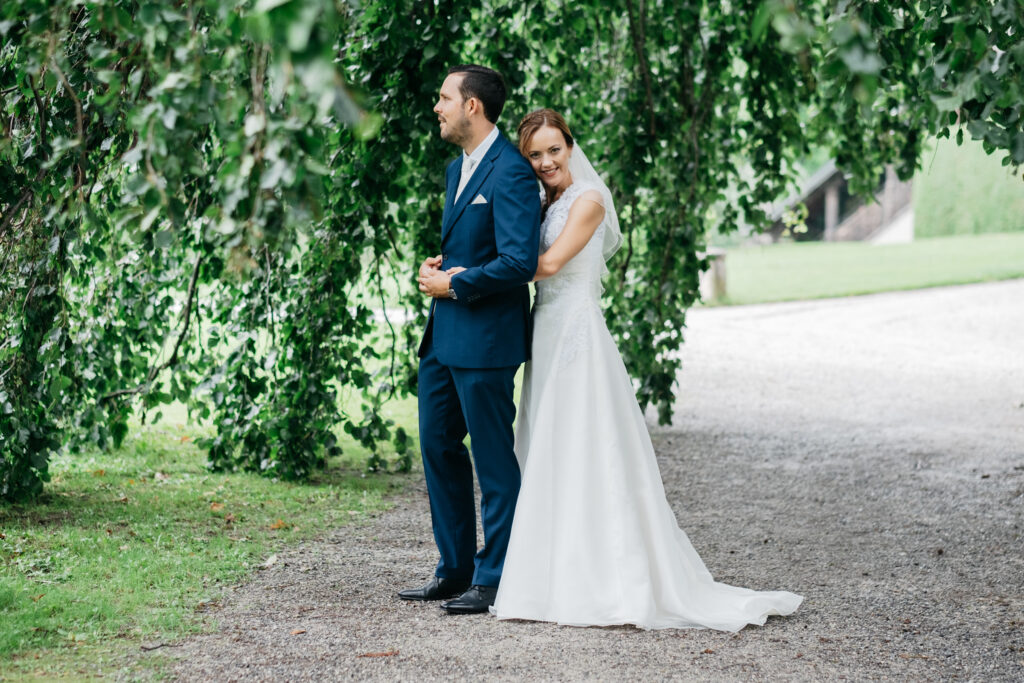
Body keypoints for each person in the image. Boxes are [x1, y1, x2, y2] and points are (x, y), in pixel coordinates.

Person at [483, 108, 803, 630]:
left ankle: (603, 576)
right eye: (534, 154)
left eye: (554, 150)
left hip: (577, 333)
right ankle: (549, 571)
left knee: (587, 442)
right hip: (544, 328)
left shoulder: (589, 200)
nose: (545, 161)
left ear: (570, 146)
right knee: (546, 441)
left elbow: (545, 264)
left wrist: (477, 270)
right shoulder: (547, 200)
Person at [401, 65, 541, 615]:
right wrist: (440, 266)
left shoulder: (510, 172)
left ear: (472, 107)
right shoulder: (454, 168)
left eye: (444, 98)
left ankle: (495, 576)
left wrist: (454, 283)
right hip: (443, 339)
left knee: (492, 459)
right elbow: (472, 246)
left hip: (485, 342)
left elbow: (517, 262)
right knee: (437, 447)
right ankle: (454, 568)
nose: (437, 107)